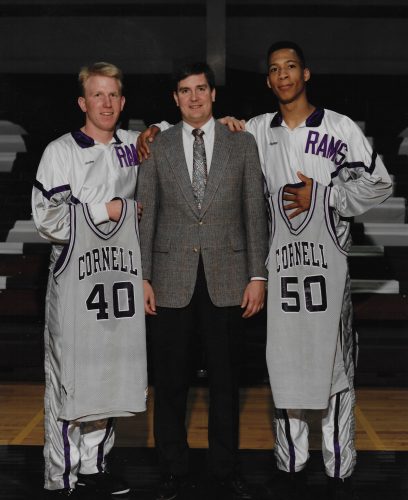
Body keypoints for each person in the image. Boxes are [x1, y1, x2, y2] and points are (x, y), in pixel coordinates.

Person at [136, 42, 392, 500]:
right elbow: (193, 133)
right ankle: (289, 464)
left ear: (306, 73)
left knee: (332, 368)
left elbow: (380, 183)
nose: (283, 75)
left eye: (290, 67)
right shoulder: (253, 129)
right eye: (274, 70)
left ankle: (338, 466)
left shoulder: (338, 127)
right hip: (278, 272)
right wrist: (154, 128)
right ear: (268, 81)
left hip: (323, 265)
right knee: (284, 366)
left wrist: (328, 196)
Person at [135, 61, 269, 500]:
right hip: (171, 278)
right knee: (170, 381)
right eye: (185, 91)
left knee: (226, 382)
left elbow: (255, 212)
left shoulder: (242, 143)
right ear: (175, 98)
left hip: (229, 278)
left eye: (201, 89)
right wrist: (144, 277)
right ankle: (172, 468)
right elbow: (148, 213)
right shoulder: (159, 145)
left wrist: (256, 274)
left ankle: (225, 468)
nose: (193, 97)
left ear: (213, 94)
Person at [32, 62, 147, 498]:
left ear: (122, 101)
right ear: (83, 102)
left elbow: (182, 137)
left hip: (117, 280)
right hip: (73, 281)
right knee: (70, 378)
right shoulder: (60, 151)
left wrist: (226, 122)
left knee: (108, 375)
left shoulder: (134, 147)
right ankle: (61, 475)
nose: (106, 103)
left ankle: (96, 466)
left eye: (113, 95)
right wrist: (107, 209)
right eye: (97, 95)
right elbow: (47, 220)